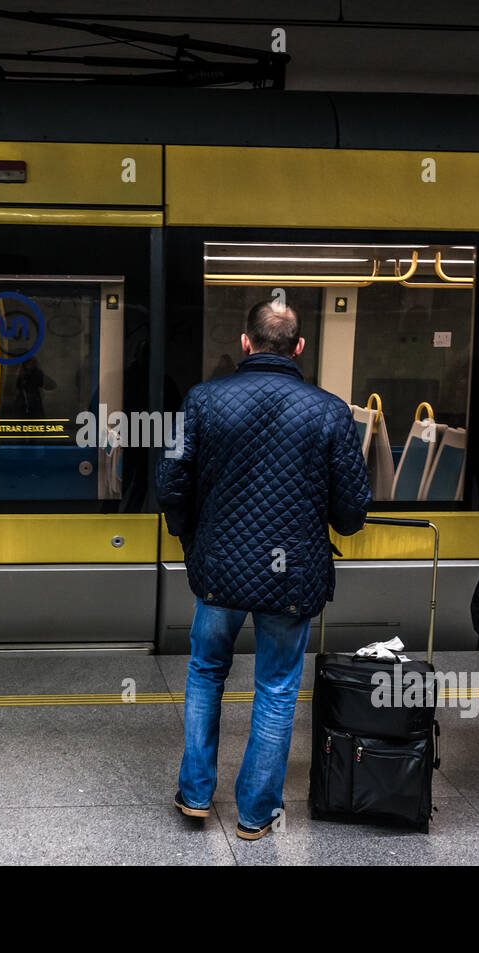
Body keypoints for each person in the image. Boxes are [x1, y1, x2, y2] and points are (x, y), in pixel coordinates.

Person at [157, 299, 371, 840]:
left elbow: (170, 484)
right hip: (291, 577)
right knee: (276, 687)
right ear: (299, 348)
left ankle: (196, 795)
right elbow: (351, 514)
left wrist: (193, 539)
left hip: (219, 572)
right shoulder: (329, 411)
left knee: (206, 672)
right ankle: (255, 815)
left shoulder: (203, 401)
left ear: (246, 342)